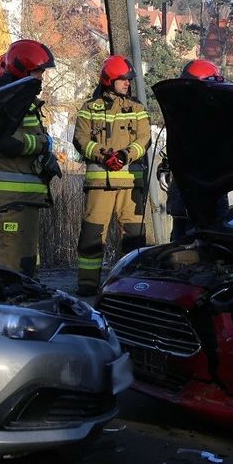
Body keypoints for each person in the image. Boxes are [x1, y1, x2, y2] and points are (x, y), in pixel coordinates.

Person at [72, 55, 151, 296]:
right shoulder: (89, 108)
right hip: (99, 185)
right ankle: (87, 285)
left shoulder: (137, 109)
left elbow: (144, 139)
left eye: (129, 79)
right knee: (92, 235)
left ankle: (130, 286)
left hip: (130, 185)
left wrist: (125, 155)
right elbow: (80, 139)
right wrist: (101, 154)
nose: (128, 83)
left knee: (134, 239)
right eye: (123, 79)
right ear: (109, 81)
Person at [0, 39, 58, 276]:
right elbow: (7, 141)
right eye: (38, 71)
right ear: (24, 69)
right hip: (10, 198)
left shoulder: (21, 98)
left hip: (23, 197)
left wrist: (47, 155)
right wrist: (41, 144)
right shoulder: (8, 98)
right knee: (9, 265)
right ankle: (5, 310)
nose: (42, 77)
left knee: (26, 264)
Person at [161, 59, 227, 241]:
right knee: (181, 243)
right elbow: (176, 146)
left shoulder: (218, 115)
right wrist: (165, 167)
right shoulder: (182, 113)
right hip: (187, 194)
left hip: (209, 193)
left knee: (208, 243)